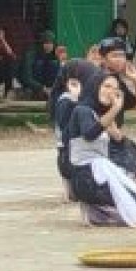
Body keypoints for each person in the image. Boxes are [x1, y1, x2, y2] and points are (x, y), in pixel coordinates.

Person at [66, 70, 136, 226]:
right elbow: (89, 134)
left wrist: (115, 132)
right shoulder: (83, 110)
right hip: (84, 176)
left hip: (99, 171)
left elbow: (120, 144)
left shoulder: (102, 114)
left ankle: (98, 212)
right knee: (132, 207)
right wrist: (114, 110)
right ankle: (96, 208)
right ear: (95, 87)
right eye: (106, 86)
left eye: (115, 89)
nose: (111, 92)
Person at [95, 37, 136, 181]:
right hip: (102, 142)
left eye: (122, 55)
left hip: (117, 139)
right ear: (103, 59)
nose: (120, 60)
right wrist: (122, 143)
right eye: (114, 56)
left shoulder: (118, 81)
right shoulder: (98, 81)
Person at [51, 59, 99, 199]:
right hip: (70, 158)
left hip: (74, 157)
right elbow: (68, 132)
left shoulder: (80, 98)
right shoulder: (65, 100)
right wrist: (77, 100)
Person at [21, 32, 60, 100]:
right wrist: (42, 88)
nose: (48, 46)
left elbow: (61, 75)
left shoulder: (55, 54)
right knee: (39, 63)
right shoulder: (31, 54)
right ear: (41, 44)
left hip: (49, 87)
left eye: (51, 43)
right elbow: (26, 78)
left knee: (53, 63)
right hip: (34, 86)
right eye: (46, 43)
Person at [0, 27, 15, 100]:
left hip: (3, 64)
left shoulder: (5, 41)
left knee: (8, 64)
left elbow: (10, 53)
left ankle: (7, 92)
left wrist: (3, 39)